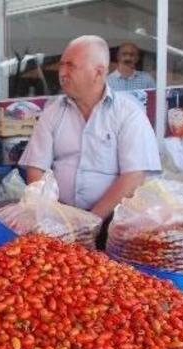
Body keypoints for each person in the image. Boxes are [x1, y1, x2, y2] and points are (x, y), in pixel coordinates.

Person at [19, 36, 161, 246]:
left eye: (71, 66)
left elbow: (133, 176)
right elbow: (36, 168)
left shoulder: (128, 113)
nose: (62, 73)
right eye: (62, 65)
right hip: (61, 218)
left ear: (99, 72)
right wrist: (51, 216)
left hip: (113, 220)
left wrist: (89, 222)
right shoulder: (52, 112)